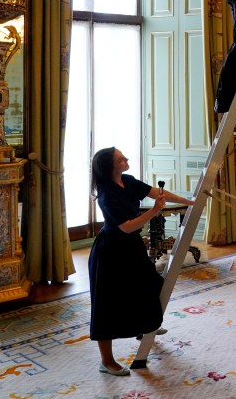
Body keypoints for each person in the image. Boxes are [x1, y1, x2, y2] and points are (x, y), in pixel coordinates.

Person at [88, 147, 195, 376]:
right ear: (110, 167)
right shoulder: (107, 194)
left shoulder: (127, 181)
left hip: (131, 247)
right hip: (111, 251)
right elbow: (126, 227)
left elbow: (157, 193)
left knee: (151, 285)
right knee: (106, 306)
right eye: (120, 159)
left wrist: (189, 202)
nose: (126, 159)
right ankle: (106, 361)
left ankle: (144, 326)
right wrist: (155, 212)